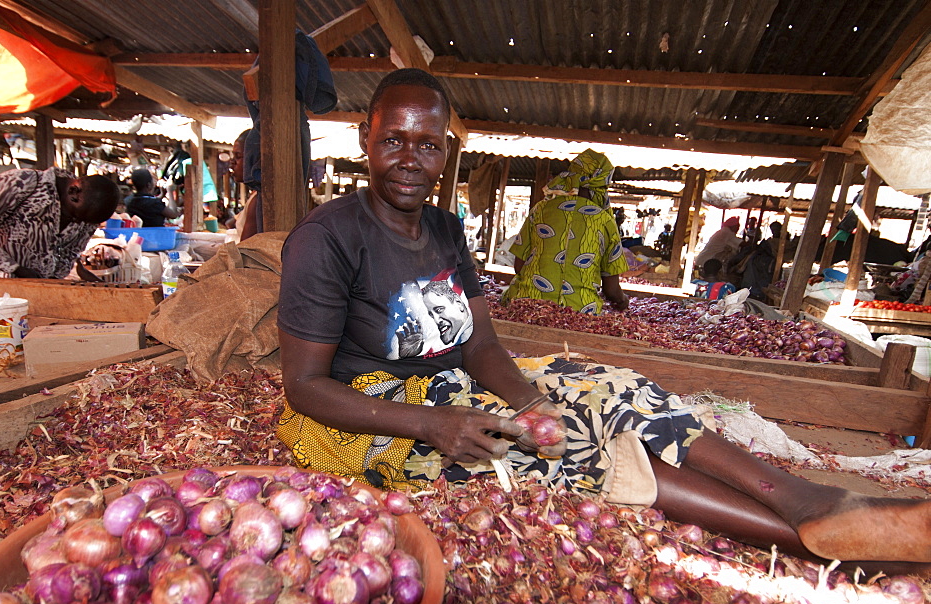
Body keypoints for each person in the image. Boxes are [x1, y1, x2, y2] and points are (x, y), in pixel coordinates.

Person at [276, 67, 931, 574]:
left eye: (426, 143)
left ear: (445, 151)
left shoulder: (445, 229)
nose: (409, 157)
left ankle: (806, 500)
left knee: (615, 388)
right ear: (366, 138)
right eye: (392, 139)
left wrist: (535, 399)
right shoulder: (327, 239)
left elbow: (480, 345)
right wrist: (433, 423)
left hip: (452, 389)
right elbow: (304, 386)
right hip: (374, 418)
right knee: (579, 458)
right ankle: (821, 544)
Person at [500, 149, 630, 315]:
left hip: (527, 304)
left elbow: (519, 266)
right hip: (581, 311)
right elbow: (611, 289)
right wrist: (622, 301)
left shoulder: (540, 209)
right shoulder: (605, 221)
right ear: (601, 183)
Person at [0, 167, 119, 278]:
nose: (77, 224)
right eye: (74, 217)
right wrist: (13, 268)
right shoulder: (22, 183)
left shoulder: (87, 213)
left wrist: (54, 279)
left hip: (38, 293)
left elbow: (70, 253)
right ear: (73, 191)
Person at [229, 130, 261, 242]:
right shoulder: (256, 195)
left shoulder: (258, 201)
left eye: (238, 156)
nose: (232, 163)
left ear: (254, 159)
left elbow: (245, 252)